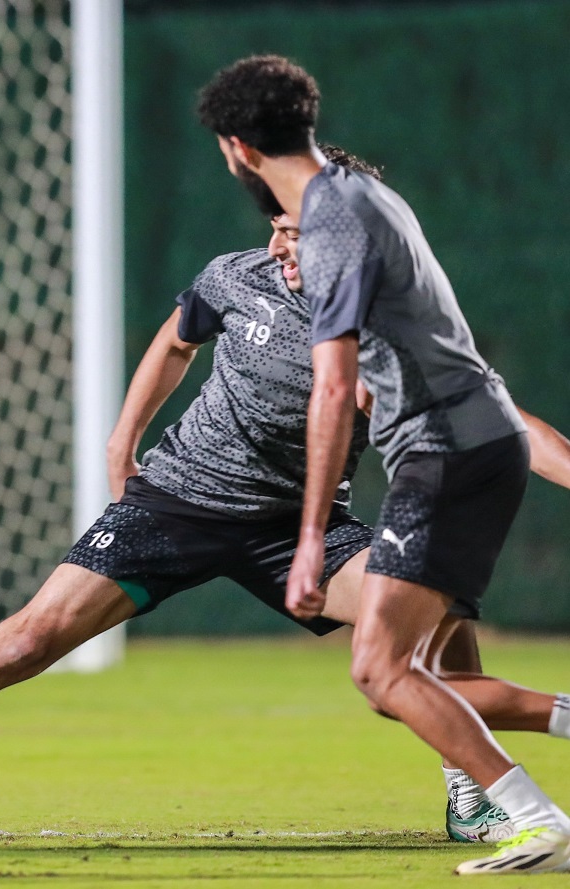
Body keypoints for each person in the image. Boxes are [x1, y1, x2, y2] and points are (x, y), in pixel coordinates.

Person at [0, 145, 570, 843]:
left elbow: (498, 419)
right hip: (173, 502)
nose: (278, 244)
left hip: (299, 525)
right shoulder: (233, 277)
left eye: (296, 231)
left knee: (426, 595)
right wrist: (122, 438)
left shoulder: (392, 323)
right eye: (276, 225)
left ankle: (469, 790)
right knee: (26, 640)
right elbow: (174, 340)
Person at [197, 54, 570, 875]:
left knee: (379, 667)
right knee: (403, 668)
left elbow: (332, 387)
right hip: (469, 448)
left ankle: (535, 820)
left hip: (443, 455)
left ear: (236, 150)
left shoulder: (327, 222)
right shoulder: (367, 196)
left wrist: (307, 538)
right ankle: (525, 811)